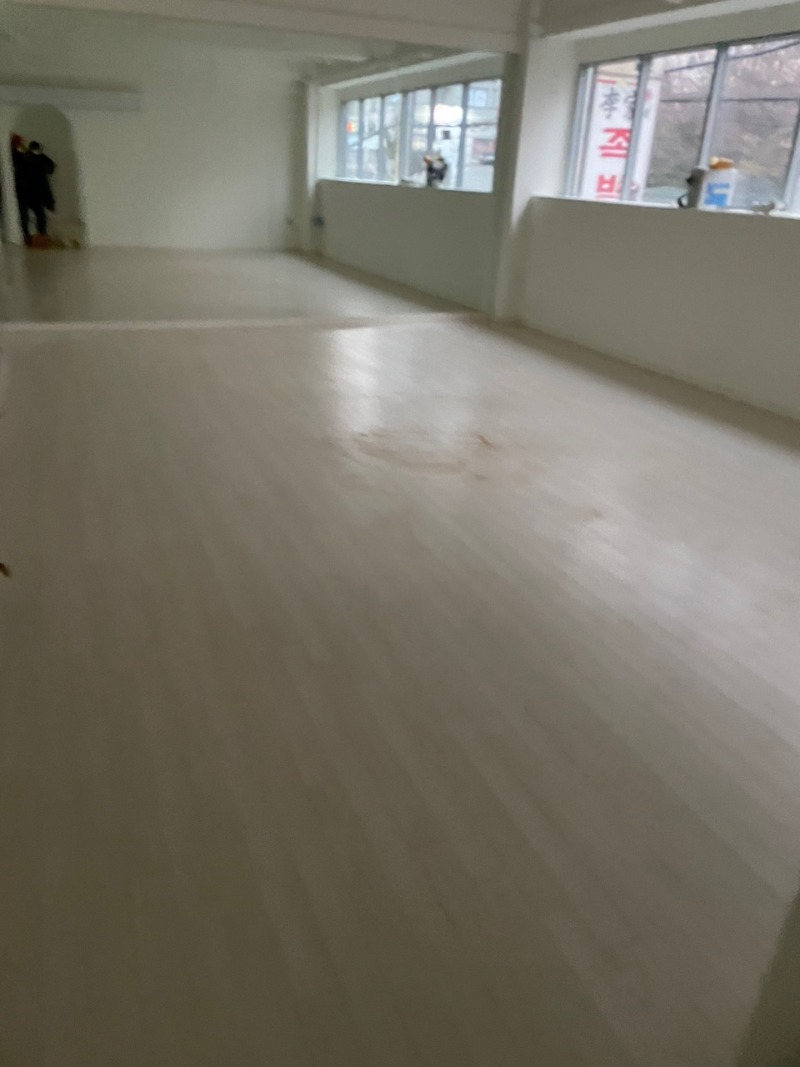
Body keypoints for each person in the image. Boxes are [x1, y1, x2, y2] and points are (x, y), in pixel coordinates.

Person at [20, 141, 56, 242]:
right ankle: (40, 234)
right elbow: (50, 168)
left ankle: (34, 235)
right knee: (39, 214)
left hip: (29, 191)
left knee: (33, 214)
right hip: (33, 191)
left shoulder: (26, 157)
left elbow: (50, 168)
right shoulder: (32, 158)